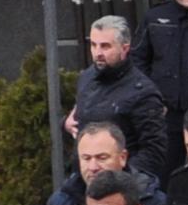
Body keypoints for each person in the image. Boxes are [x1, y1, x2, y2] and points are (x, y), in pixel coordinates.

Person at [72, 14, 175, 186]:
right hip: (82, 180)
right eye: (94, 45)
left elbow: (154, 150)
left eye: (105, 46)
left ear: (125, 48)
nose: (98, 53)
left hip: (122, 187)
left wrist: (122, 182)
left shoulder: (143, 92)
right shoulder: (87, 77)